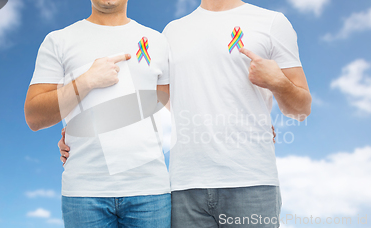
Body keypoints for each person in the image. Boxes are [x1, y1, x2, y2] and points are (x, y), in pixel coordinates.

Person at [59, 0, 312, 227]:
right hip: (184, 187)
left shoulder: (271, 22)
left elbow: (300, 109)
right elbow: (157, 99)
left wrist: (278, 83)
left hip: (252, 181)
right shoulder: (171, 32)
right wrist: (82, 133)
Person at [24, 0, 172, 227]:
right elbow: (34, 116)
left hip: (149, 189)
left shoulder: (158, 41)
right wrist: (87, 81)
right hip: (84, 192)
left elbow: (168, 104)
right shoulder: (59, 40)